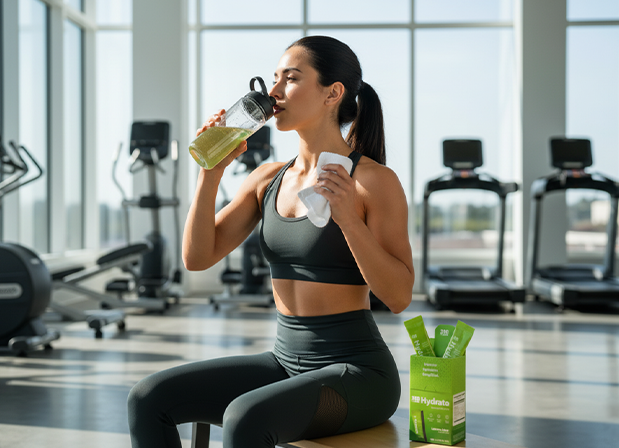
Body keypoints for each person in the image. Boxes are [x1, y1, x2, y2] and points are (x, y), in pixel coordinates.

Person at [127, 35, 414, 448]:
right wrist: (211, 172)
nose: (274, 92)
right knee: (149, 398)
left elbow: (400, 295)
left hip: (357, 374)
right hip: (284, 360)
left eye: (290, 79)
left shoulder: (372, 181)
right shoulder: (267, 178)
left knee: (246, 420)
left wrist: (349, 219)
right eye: (273, 79)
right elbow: (196, 257)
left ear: (333, 93)